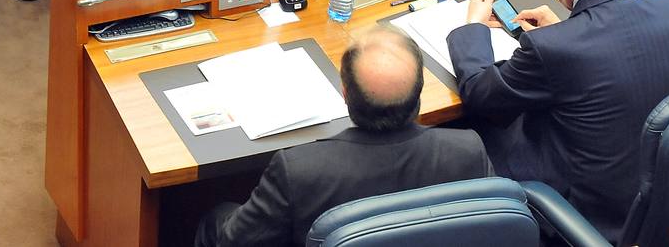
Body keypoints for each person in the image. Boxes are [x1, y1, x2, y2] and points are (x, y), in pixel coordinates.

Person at [446, 0, 669, 241]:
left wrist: (471, 29)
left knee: (467, 133)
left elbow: (482, 95)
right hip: (663, 193)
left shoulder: (553, 49)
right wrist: (565, 29)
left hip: (588, 211)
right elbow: (616, 50)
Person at [194, 28, 494, 247]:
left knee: (216, 219)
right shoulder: (468, 150)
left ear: (345, 93)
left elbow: (235, 242)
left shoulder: (299, 170)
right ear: (419, 92)